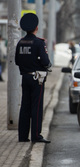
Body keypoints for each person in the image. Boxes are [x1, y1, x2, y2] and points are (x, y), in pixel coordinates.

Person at [15, 13, 52, 143]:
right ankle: (36, 136)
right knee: (36, 107)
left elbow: (17, 61)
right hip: (37, 79)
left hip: (25, 77)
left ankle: (23, 136)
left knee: (25, 106)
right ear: (36, 27)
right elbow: (46, 61)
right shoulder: (38, 43)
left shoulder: (20, 42)